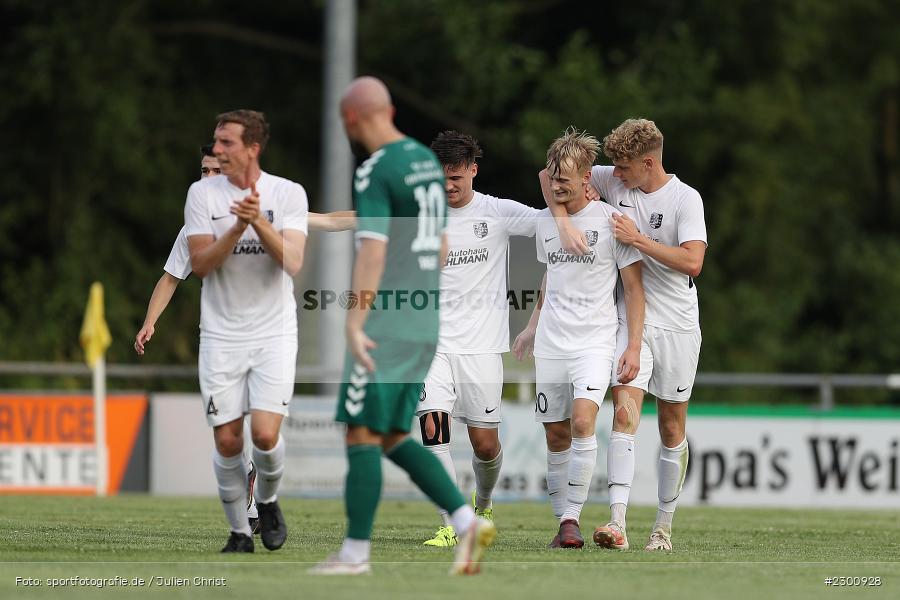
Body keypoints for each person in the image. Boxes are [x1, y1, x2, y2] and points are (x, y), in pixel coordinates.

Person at [310, 77, 495, 576]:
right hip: (426, 320)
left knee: (360, 432)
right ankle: (464, 519)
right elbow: (440, 248)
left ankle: (354, 554)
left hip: (387, 321)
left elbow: (371, 248)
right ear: (389, 109)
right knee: (391, 434)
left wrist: (354, 320)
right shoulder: (422, 163)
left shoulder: (377, 169)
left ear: (349, 120)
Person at [547, 118, 707, 552]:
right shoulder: (613, 179)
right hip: (629, 321)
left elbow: (693, 263)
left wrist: (639, 240)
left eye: (623, 167)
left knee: (673, 427)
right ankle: (617, 523)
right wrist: (563, 220)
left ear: (648, 162)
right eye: (612, 168)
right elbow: (548, 177)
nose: (613, 175)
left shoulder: (685, 200)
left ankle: (663, 527)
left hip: (677, 324)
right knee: (623, 414)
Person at [512, 127, 644, 549]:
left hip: (594, 342)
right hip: (551, 342)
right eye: (552, 180)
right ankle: (562, 522)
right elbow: (551, 275)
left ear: (587, 179)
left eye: (564, 181)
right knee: (555, 434)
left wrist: (634, 345)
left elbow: (634, 289)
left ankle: (571, 520)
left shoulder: (612, 223)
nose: (555, 187)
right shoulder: (548, 221)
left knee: (584, 422)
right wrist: (532, 326)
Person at [184, 110, 308, 553]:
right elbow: (200, 265)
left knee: (265, 436)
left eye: (226, 143)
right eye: (216, 143)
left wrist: (258, 221)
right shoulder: (202, 194)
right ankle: (239, 532)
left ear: (252, 148)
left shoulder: (287, 193)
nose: (217, 151)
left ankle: (269, 500)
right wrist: (237, 225)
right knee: (228, 438)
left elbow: (292, 263)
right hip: (220, 335)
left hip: (273, 333)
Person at [416, 130, 540, 547]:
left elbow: (549, 222)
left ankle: (483, 503)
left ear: (473, 171)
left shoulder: (498, 212)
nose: (448, 186)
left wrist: (584, 203)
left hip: (483, 348)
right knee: (433, 430)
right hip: (432, 346)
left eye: (456, 177)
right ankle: (454, 522)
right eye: (441, 178)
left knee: (485, 445)